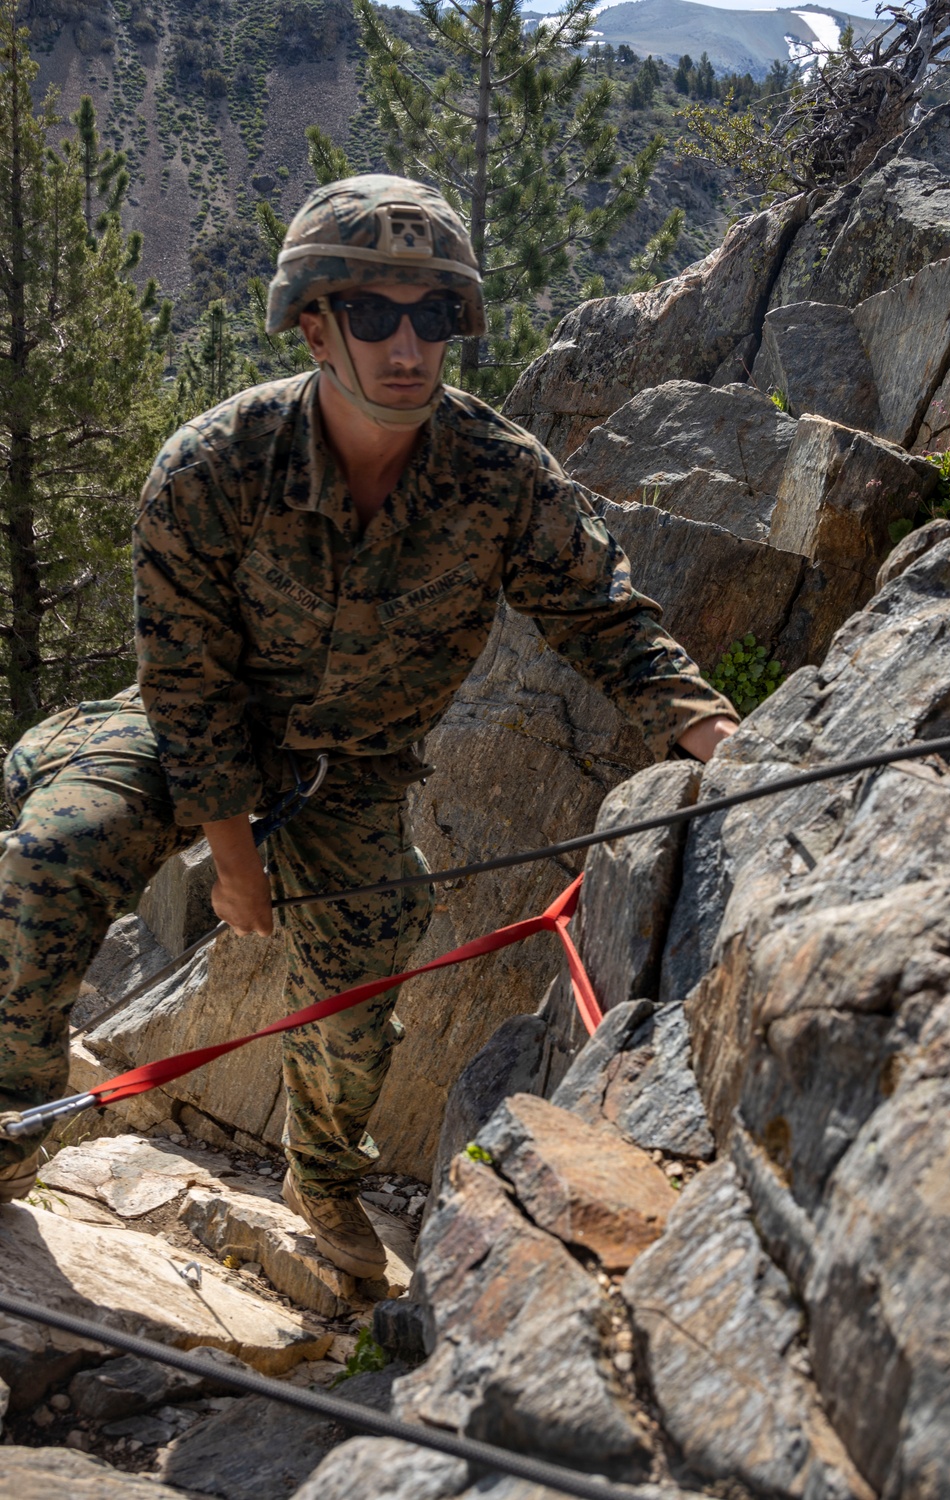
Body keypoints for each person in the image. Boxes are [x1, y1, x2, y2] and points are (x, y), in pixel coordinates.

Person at [0, 175, 736, 1278]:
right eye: (374, 313)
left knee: (359, 979)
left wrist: (710, 732)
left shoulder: (501, 476)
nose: (408, 344)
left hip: (352, 770)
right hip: (183, 727)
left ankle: (324, 1177)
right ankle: (12, 1130)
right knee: (54, 857)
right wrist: (232, 854)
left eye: (433, 316)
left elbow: (603, 619)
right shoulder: (214, 463)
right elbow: (184, 679)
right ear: (313, 322)